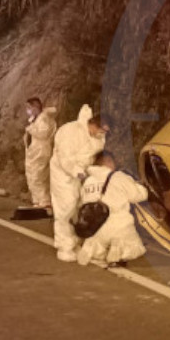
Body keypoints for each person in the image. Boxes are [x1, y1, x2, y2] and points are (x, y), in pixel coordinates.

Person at [49, 105, 107, 261]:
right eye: (102, 130)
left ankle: (76, 241)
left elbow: (95, 157)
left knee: (80, 207)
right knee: (66, 207)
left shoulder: (98, 137)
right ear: (94, 124)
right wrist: (80, 175)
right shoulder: (70, 131)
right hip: (63, 174)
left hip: (84, 174)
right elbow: (65, 159)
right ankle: (64, 246)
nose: (103, 134)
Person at [77, 151, 149, 268]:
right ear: (109, 162)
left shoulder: (88, 181)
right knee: (130, 243)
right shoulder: (119, 177)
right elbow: (139, 196)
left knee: (98, 244)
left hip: (95, 227)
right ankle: (117, 251)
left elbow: (82, 203)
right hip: (119, 225)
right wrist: (141, 186)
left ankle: (94, 249)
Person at [23, 97, 57, 211]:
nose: (27, 110)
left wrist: (31, 129)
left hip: (41, 151)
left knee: (39, 176)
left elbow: (43, 134)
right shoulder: (35, 119)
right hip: (34, 152)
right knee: (32, 176)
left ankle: (44, 201)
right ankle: (37, 201)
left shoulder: (44, 119)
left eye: (29, 107)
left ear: (35, 107)